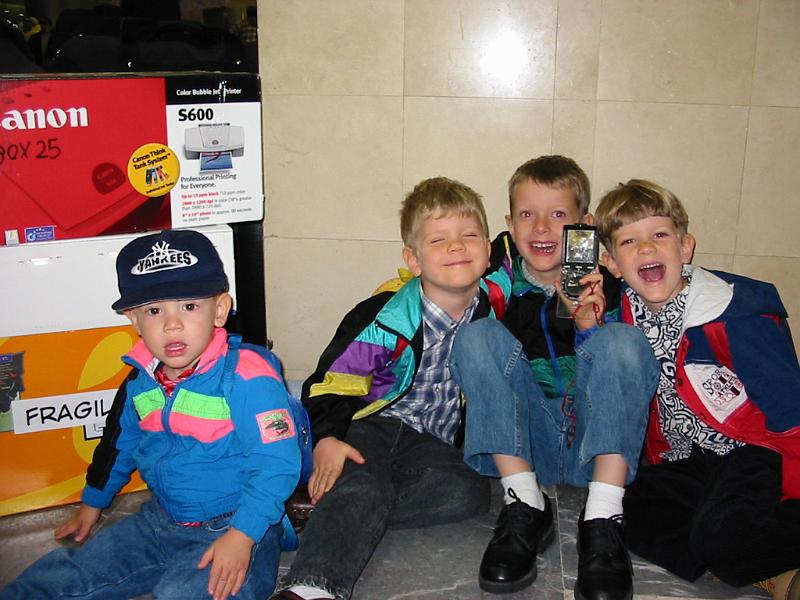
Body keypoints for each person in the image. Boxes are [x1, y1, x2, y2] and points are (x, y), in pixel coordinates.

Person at [0, 229, 302, 600]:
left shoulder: (247, 377)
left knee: (180, 593)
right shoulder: (141, 381)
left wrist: (243, 535)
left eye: (189, 307)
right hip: (158, 521)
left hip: (238, 528)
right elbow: (119, 443)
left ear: (220, 309)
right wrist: (93, 502)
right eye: (154, 311)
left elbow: (277, 463)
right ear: (134, 319)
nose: (171, 324)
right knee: (61, 576)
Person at [269, 177, 511, 600]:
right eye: (439, 240)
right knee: (367, 483)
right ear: (413, 259)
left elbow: (527, 252)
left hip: (431, 439)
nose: (457, 247)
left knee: (469, 493)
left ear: (487, 249)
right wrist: (327, 439)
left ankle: (338, 508)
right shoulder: (385, 318)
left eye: (469, 235)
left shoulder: (493, 298)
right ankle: (311, 586)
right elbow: (329, 383)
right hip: (372, 422)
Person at [450, 156, 659, 598]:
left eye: (558, 215)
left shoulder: (610, 281)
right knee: (475, 338)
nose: (541, 228)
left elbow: (624, 378)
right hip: (528, 443)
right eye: (527, 214)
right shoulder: (493, 282)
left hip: (595, 446)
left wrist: (589, 327)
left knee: (622, 342)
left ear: (586, 224)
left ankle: (603, 516)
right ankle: (524, 501)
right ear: (509, 223)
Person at [594, 179, 800, 600]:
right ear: (612, 263)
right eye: (629, 241)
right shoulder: (624, 312)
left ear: (685, 247)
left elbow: (790, 410)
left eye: (659, 235)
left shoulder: (734, 314)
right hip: (691, 460)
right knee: (621, 513)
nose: (646, 249)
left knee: (718, 536)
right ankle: (743, 563)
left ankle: (744, 557)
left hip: (753, 451)